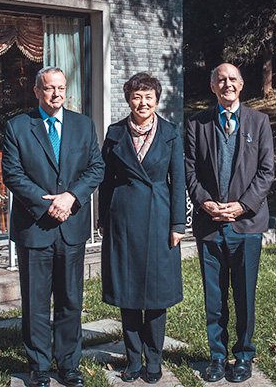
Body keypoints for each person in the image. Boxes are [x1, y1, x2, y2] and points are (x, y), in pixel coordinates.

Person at [2, 66, 105, 387]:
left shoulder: (83, 125)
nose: (56, 93)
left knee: (70, 300)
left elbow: (96, 167)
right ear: (37, 91)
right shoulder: (18, 127)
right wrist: (47, 204)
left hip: (71, 227)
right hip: (34, 228)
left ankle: (69, 365)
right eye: (49, 88)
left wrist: (71, 197)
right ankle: (39, 367)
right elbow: (12, 174)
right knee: (35, 303)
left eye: (61, 87)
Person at [184, 63, 274, 383]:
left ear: (242, 84)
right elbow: (189, 169)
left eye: (232, 79)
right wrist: (205, 202)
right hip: (210, 225)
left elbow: (266, 172)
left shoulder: (260, 122)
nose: (227, 84)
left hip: (246, 225)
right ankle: (218, 357)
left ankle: (244, 356)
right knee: (214, 297)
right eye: (220, 80)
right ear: (212, 87)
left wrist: (242, 206)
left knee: (244, 296)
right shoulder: (197, 123)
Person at [98, 72, 186, 384]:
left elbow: (178, 182)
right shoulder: (115, 133)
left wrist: (178, 223)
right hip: (122, 221)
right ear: (128, 100)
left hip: (160, 219)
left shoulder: (170, 133)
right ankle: (133, 360)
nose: (143, 102)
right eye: (137, 97)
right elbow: (106, 181)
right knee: (128, 293)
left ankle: (154, 360)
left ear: (157, 100)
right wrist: (103, 220)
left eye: (149, 97)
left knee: (157, 295)